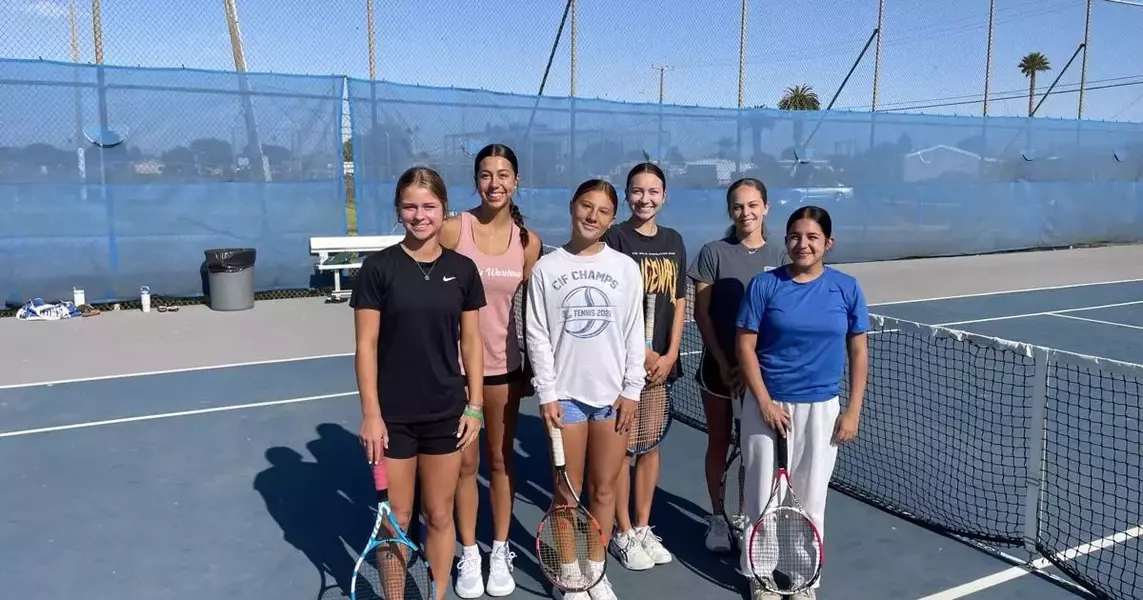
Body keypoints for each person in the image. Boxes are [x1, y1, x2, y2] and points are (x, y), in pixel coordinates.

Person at [351, 166, 487, 600]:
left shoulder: (463, 270)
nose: (420, 215)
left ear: (444, 209)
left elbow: (472, 343)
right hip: (394, 418)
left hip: (447, 411)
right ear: (398, 210)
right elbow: (366, 346)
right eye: (410, 206)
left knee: (440, 513)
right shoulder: (378, 268)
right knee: (397, 518)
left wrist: (475, 405)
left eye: (429, 206)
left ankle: (438, 594)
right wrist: (372, 415)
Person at [734, 205, 869, 600]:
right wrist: (763, 402)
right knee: (763, 495)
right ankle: (761, 578)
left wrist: (853, 409)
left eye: (812, 237)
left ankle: (801, 576)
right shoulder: (765, 286)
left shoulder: (847, 288)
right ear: (786, 240)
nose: (802, 244)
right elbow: (745, 346)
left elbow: (858, 352)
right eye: (795, 236)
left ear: (828, 242)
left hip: (822, 409)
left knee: (810, 498)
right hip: (767, 406)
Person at [525, 179, 646, 600]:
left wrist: (633, 390)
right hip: (566, 401)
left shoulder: (626, 269)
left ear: (613, 218)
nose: (592, 216)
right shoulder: (547, 268)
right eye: (586, 206)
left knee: (605, 489)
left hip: (613, 401)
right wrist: (547, 394)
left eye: (603, 211)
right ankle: (570, 574)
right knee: (566, 493)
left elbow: (635, 332)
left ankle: (596, 571)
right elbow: (537, 335)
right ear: (572, 206)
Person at [440, 143, 543, 598]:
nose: (494, 183)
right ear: (476, 180)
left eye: (503, 175)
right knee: (466, 464)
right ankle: (468, 552)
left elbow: (534, 312)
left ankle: (499, 549)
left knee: (500, 461)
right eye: (486, 174)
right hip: (456, 373)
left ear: (516, 181)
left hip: (505, 369)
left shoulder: (528, 242)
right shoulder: (451, 230)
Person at [686, 177, 786, 552]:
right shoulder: (712, 253)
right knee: (718, 443)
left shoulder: (779, 258)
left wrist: (751, 370)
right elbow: (703, 313)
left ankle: (745, 516)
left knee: (752, 449)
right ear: (730, 211)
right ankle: (717, 518)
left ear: (766, 207)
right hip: (717, 371)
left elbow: (780, 317)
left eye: (753, 205)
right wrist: (726, 361)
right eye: (738, 206)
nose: (746, 212)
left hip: (760, 377)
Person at [600, 162, 686, 570]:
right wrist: (646, 355)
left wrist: (670, 355)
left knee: (649, 446)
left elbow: (679, 299)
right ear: (627, 194)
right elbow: (617, 304)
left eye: (653, 191)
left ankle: (643, 526)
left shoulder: (674, 240)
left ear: (664, 196)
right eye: (637, 191)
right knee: (621, 450)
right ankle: (621, 531)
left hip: (662, 366)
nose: (644, 199)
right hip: (627, 366)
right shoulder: (615, 237)